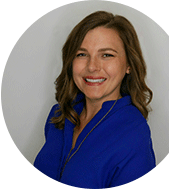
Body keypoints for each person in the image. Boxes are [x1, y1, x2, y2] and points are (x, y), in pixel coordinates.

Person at [34, 11, 156, 188]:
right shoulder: (59, 114)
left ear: (129, 64)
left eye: (107, 55)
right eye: (82, 54)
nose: (92, 66)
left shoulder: (134, 135)